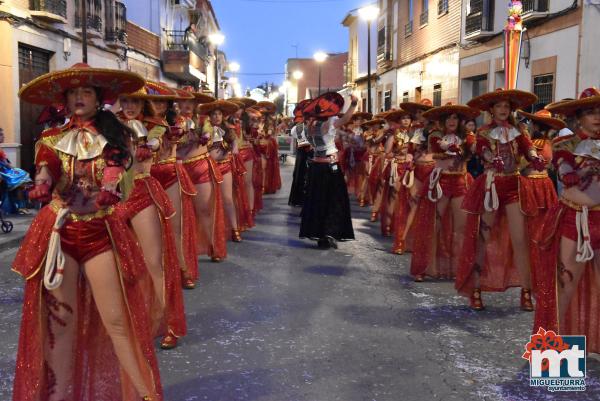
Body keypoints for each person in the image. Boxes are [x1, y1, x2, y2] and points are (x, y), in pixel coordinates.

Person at [12, 63, 162, 401]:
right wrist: (40, 185)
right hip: (60, 234)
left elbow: (116, 170)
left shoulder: (116, 136)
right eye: (73, 93)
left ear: (98, 99)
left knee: (117, 321)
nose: (79, 97)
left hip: (98, 232)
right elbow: (47, 168)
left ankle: (144, 394)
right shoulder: (51, 138)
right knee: (60, 326)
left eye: (86, 92)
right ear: (65, 100)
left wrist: (111, 186)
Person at [456, 88, 545, 311]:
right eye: (499, 106)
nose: (503, 110)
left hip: (514, 186)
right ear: (491, 110)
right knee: (482, 239)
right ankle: (475, 289)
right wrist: (489, 158)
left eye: (507, 106)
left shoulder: (519, 130)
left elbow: (528, 149)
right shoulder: (484, 132)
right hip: (490, 186)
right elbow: (482, 151)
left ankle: (526, 291)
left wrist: (535, 159)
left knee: (520, 240)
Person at [116, 83, 187, 350]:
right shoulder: (110, 125)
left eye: (135, 101)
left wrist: (147, 144)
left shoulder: (155, 127)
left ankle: (169, 323)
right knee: (120, 265)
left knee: (154, 261)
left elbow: (154, 143)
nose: (130, 106)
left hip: (142, 193)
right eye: (125, 100)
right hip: (113, 199)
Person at [534, 88, 600, 353]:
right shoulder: (564, 147)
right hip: (577, 221)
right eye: (590, 112)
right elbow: (571, 189)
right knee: (565, 287)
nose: (597, 117)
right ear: (577, 118)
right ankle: (553, 355)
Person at [410, 104, 480, 281]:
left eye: (455, 118)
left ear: (460, 121)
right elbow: (439, 147)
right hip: (440, 182)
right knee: (434, 227)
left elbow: (473, 148)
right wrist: (455, 148)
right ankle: (425, 268)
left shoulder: (468, 136)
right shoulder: (435, 136)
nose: (451, 121)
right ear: (442, 120)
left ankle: (459, 269)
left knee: (461, 229)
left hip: (461, 183)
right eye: (448, 118)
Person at [149, 84, 200, 290]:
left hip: (170, 174)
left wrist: (187, 136)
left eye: (163, 101)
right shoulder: (137, 124)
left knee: (175, 225)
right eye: (154, 101)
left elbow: (186, 143)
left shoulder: (178, 122)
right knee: (150, 229)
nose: (158, 106)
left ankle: (181, 267)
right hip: (145, 178)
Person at [299, 92, 358, 249]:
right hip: (330, 167)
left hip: (316, 166)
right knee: (334, 201)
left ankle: (320, 234)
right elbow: (346, 119)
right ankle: (329, 233)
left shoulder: (309, 125)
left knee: (317, 201)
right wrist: (353, 104)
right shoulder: (330, 122)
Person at [178, 86, 228, 262]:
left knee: (204, 209)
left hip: (199, 167)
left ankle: (213, 245)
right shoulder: (170, 121)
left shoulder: (202, 121)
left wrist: (205, 137)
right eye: (182, 101)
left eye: (189, 101)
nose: (186, 105)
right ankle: (183, 255)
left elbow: (208, 134)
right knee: (182, 215)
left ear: (195, 103)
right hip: (177, 170)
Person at [198, 100, 243, 241]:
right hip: (208, 168)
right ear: (209, 116)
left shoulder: (227, 129)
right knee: (210, 202)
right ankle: (213, 234)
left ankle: (235, 229)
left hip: (224, 166)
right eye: (214, 114)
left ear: (222, 116)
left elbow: (235, 143)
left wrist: (234, 149)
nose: (217, 116)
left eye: (219, 114)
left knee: (228, 199)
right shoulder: (204, 129)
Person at [288, 99, 313, 207]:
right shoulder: (298, 127)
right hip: (304, 152)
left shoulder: (317, 124)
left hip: (312, 152)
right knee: (301, 174)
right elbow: (299, 139)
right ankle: (300, 198)